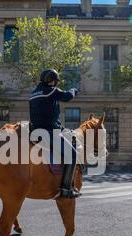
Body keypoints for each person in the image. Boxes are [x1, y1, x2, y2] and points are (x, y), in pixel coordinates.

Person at [29, 69, 81, 199]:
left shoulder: (33, 93)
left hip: (35, 131)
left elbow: (47, 113)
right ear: (51, 80)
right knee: (73, 154)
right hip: (49, 132)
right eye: (56, 81)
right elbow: (67, 96)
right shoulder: (50, 90)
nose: (56, 84)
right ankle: (66, 189)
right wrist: (74, 90)